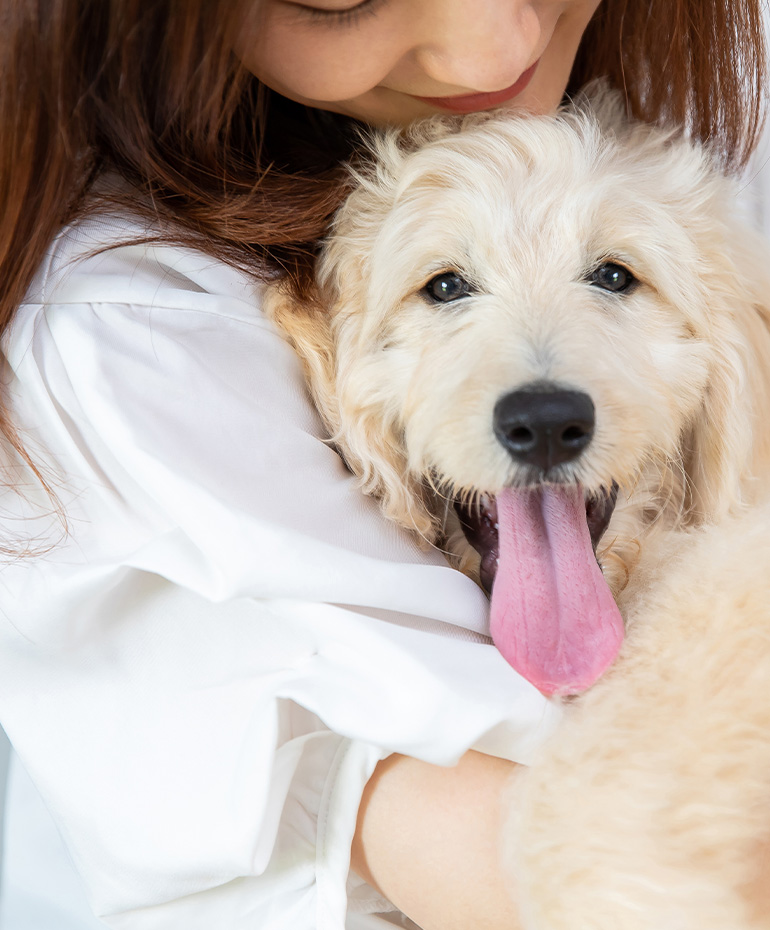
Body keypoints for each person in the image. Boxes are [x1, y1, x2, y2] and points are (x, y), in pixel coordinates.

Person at [0, 2, 766, 928]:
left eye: (614, 276)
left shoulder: (696, 157)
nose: (496, 46)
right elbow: (530, 861)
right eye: (446, 286)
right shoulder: (132, 326)